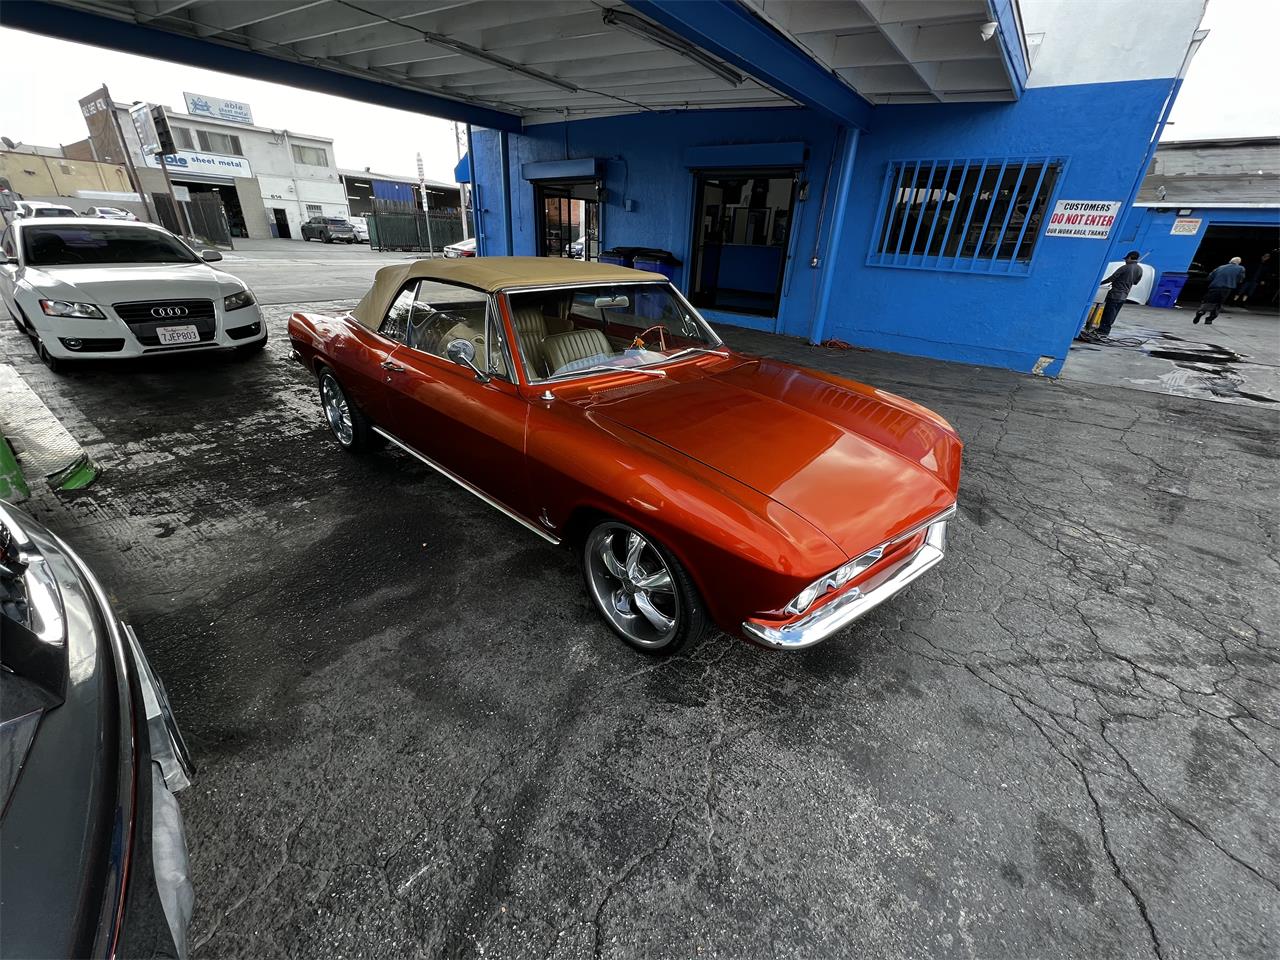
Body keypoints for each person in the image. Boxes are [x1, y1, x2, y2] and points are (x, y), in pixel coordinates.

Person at [1091, 251, 1144, 338]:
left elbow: (1111, 278)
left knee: (1108, 314)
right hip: (1124, 296)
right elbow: (1135, 282)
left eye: (1126, 259)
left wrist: (1099, 283)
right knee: (1113, 314)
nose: (1125, 261)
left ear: (1130, 258)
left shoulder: (1124, 267)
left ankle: (1102, 331)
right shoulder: (1139, 269)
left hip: (1115, 294)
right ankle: (1105, 331)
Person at [1194, 256, 1246, 325]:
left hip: (1214, 287)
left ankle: (1201, 311)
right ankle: (1209, 319)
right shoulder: (1240, 268)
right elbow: (1240, 279)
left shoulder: (1220, 267)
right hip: (1226, 289)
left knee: (1208, 301)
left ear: (1230, 261)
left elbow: (1210, 277)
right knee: (1218, 304)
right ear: (1238, 263)